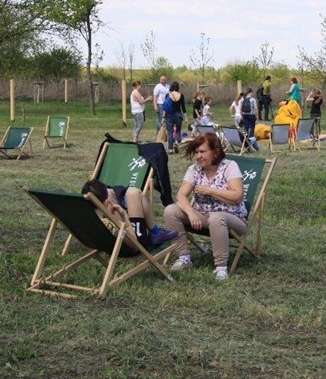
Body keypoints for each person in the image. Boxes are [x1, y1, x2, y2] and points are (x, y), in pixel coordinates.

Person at [163, 133, 247, 281]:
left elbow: (237, 196)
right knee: (171, 210)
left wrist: (209, 190)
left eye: (202, 152)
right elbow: (180, 196)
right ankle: (184, 257)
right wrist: (191, 213)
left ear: (215, 152)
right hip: (203, 217)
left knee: (216, 217)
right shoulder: (194, 170)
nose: (198, 156)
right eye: (196, 152)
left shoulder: (229, 166)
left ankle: (221, 267)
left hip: (235, 220)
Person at [82, 179, 178, 250]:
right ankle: (155, 232)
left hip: (110, 242)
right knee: (135, 193)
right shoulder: (109, 225)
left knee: (131, 193)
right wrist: (124, 216)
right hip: (134, 242)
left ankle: (155, 232)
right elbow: (134, 244)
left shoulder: (85, 219)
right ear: (106, 203)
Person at [164, 81, 187, 154]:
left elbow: (165, 107)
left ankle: (170, 149)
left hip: (169, 115)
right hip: (178, 114)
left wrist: (163, 117)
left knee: (170, 131)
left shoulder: (168, 95)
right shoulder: (181, 95)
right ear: (178, 87)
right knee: (178, 130)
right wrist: (186, 118)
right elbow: (183, 108)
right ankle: (176, 142)